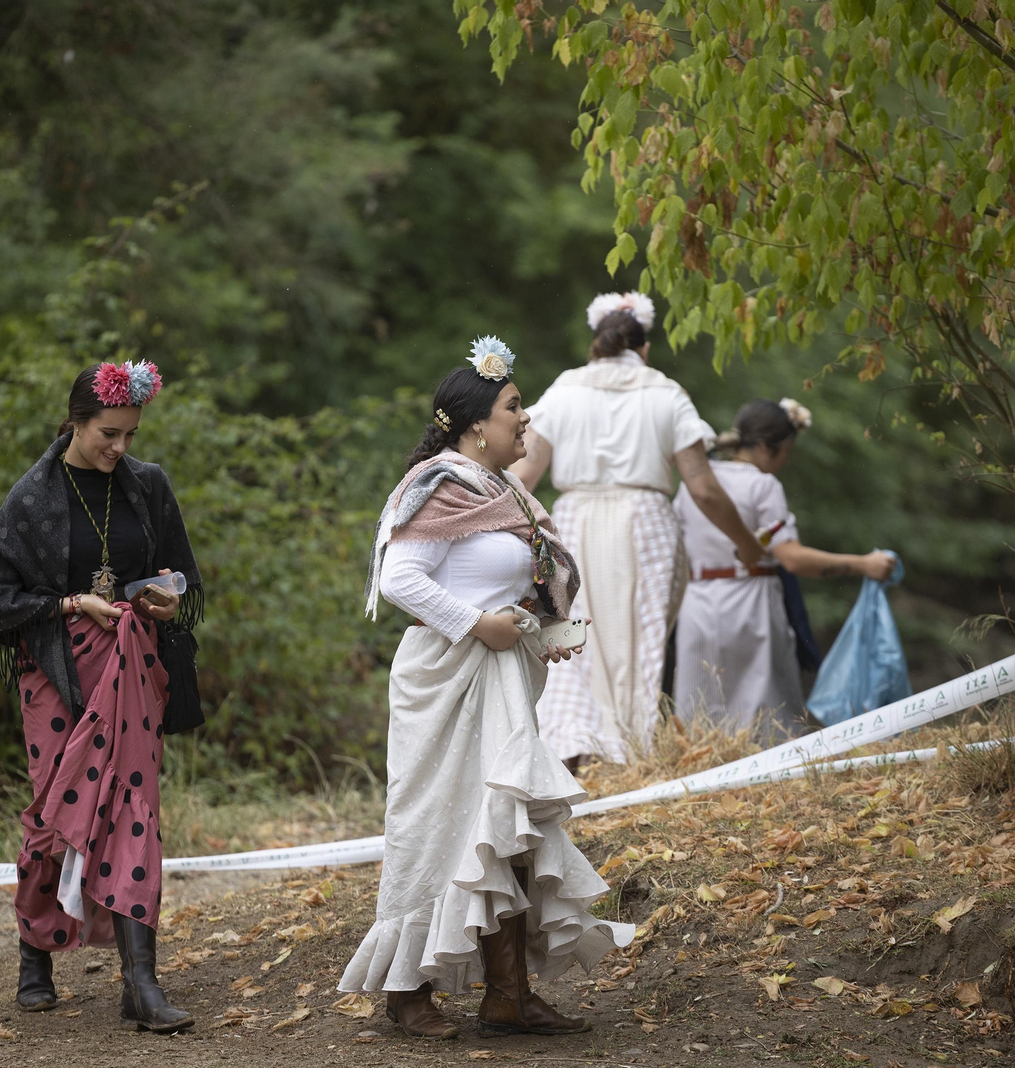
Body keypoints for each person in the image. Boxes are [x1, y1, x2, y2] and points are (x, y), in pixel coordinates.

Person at [340, 337, 633, 1040]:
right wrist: (479, 624)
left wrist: (533, 621)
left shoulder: (504, 489)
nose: (524, 419)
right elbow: (401, 581)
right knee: (438, 825)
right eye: (513, 407)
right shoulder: (441, 485)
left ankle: (508, 994)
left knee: (506, 827)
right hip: (445, 679)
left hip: (497, 674)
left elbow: (510, 575)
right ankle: (405, 991)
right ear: (476, 425)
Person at [0, 360, 205, 1033]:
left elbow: (183, 573)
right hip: (56, 671)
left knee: (135, 811)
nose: (120, 447)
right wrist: (72, 601)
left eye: (130, 434)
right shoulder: (32, 498)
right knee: (55, 815)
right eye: (108, 433)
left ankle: (141, 983)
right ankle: (34, 951)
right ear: (74, 422)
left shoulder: (148, 487)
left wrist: (164, 597)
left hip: (132, 664)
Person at [510, 292, 765, 770]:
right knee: (640, 641)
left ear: (596, 343)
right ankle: (630, 754)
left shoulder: (565, 390)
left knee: (571, 634)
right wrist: (749, 547)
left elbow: (523, 481)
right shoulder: (666, 392)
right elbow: (704, 489)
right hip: (646, 523)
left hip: (574, 523)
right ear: (643, 348)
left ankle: (570, 752)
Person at [673, 398, 895, 740]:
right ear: (764, 447)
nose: (787, 460)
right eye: (786, 451)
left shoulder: (694, 483)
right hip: (751, 606)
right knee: (764, 714)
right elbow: (791, 558)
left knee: (701, 711)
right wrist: (863, 564)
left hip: (698, 603)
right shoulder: (762, 486)